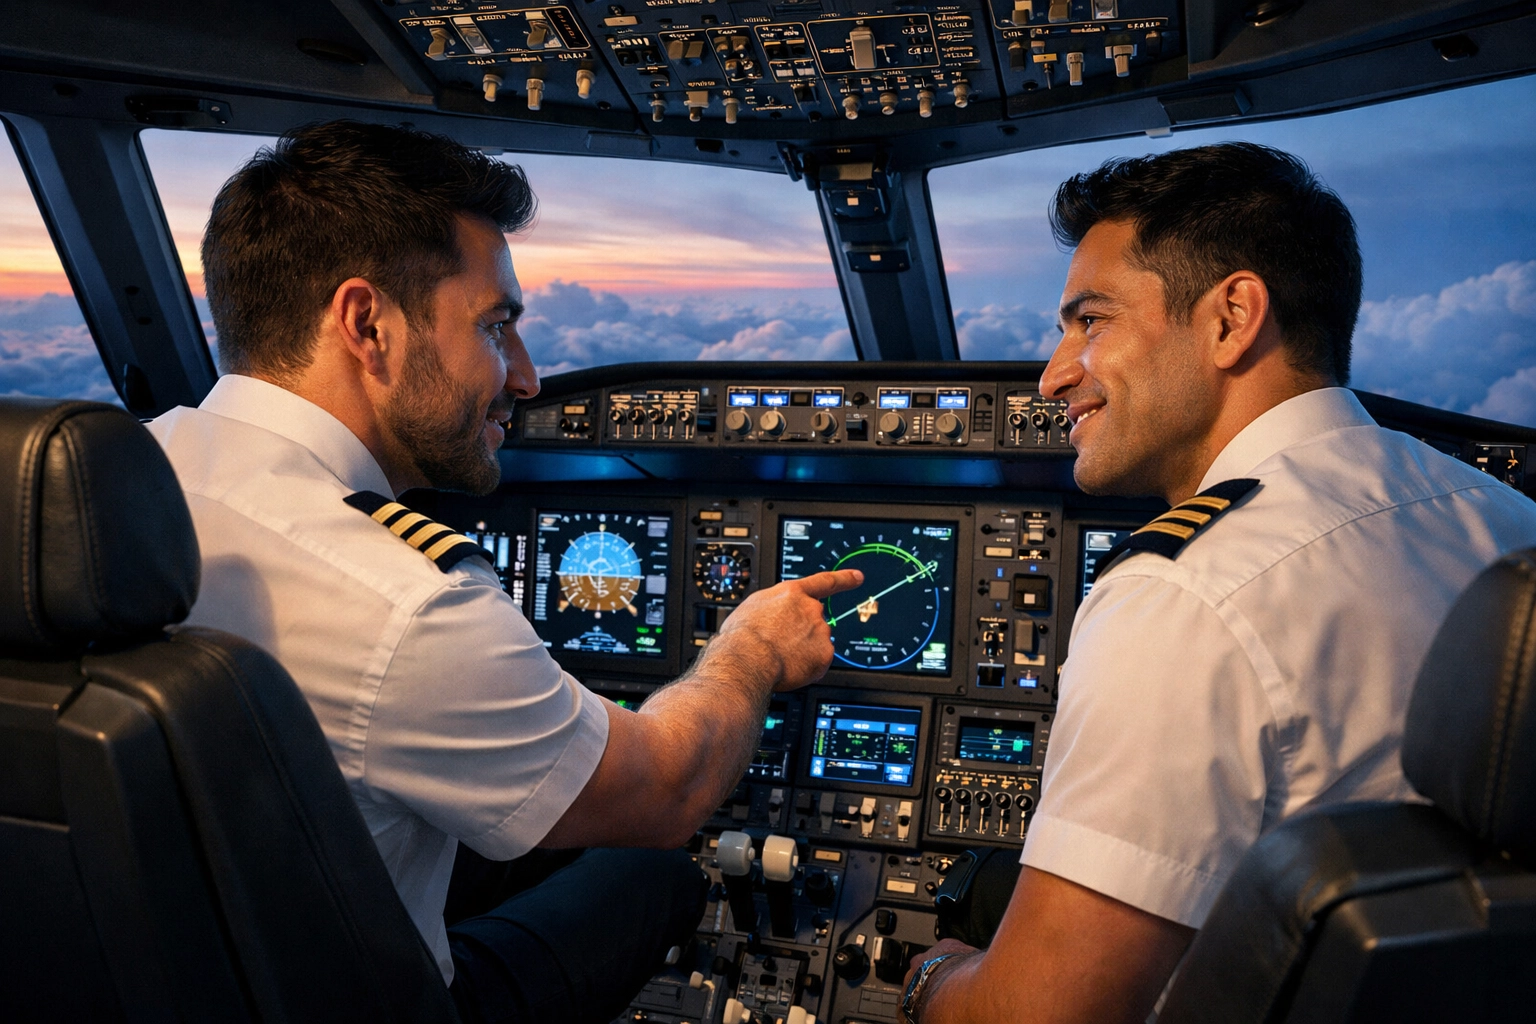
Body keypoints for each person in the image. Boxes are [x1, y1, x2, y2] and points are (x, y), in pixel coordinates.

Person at [148, 120, 861, 1024]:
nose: (526, 377)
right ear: (368, 324)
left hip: (150, 968)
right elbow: (668, 789)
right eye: (496, 327)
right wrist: (750, 650)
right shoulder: (404, 601)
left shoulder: (110, 486)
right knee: (653, 870)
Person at [900, 143, 1536, 1023]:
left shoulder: (1183, 595)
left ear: (1232, 317)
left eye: (1093, 322)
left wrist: (927, 980)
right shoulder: (1504, 516)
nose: (1053, 374)